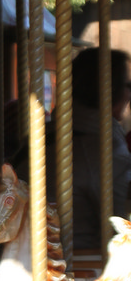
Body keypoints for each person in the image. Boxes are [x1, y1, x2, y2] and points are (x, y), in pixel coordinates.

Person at [13, 47, 131, 253]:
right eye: (128, 86)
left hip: (26, 255)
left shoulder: (40, 138)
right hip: (80, 261)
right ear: (113, 91)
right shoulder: (105, 150)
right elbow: (120, 227)